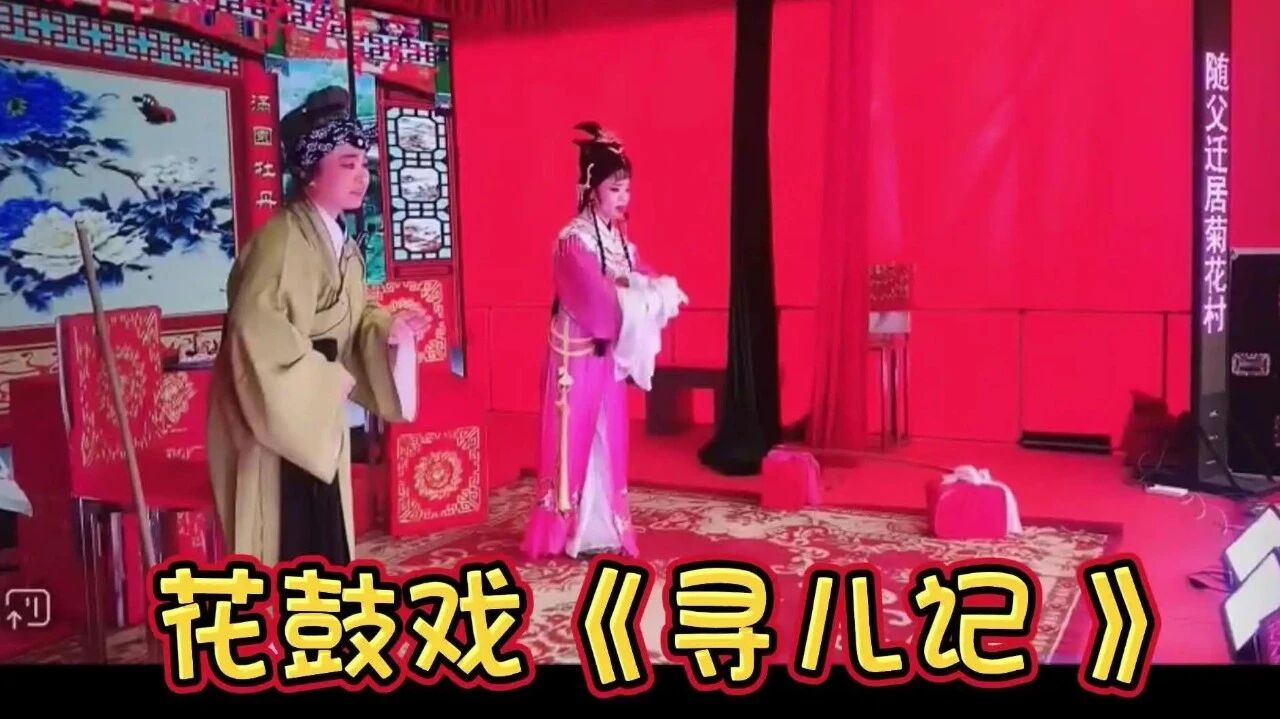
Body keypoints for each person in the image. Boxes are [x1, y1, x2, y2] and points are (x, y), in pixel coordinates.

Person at [206, 87, 427, 566]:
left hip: (312, 407)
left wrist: (388, 330)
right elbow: (256, 334)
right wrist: (327, 379)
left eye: (363, 164)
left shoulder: (337, 239)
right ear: (310, 170)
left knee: (322, 535)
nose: (361, 176)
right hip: (276, 415)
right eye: (347, 164)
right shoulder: (283, 242)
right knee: (287, 540)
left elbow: (355, 314)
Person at [521, 122, 686, 560]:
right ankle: (564, 529)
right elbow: (598, 303)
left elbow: (643, 275)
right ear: (592, 189)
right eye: (615, 189)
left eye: (626, 189)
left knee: (607, 439)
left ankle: (601, 527)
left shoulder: (617, 240)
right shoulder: (573, 242)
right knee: (572, 440)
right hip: (573, 360)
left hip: (604, 356)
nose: (623, 198)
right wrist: (640, 295)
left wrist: (657, 291)